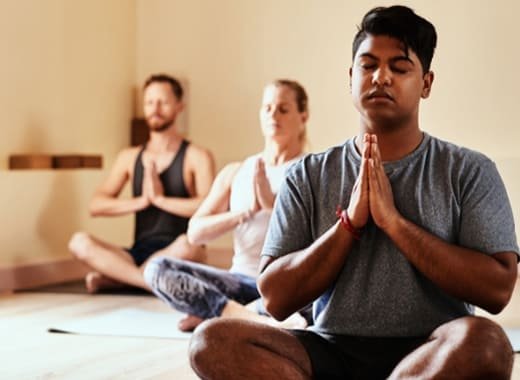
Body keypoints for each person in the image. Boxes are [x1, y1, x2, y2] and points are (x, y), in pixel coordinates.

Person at [188, 6, 519, 380]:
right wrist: (349, 225)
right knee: (211, 342)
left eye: (399, 67)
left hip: (433, 352)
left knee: (488, 344)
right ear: (351, 78)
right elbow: (275, 299)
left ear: (425, 83)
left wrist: (394, 224)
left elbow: (497, 289)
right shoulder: (308, 174)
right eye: (368, 65)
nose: (381, 77)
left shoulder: (468, 170)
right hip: (330, 350)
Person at [144, 79, 311, 332]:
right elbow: (196, 231)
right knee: (157, 268)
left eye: (283, 109)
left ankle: (215, 311)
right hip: (239, 282)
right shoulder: (237, 171)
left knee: (322, 298)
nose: (273, 115)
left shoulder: (312, 170)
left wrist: (274, 205)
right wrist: (243, 214)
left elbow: (320, 237)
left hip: (282, 287)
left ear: (303, 116)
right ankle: (242, 315)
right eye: (267, 108)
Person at [69, 74, 215, 293]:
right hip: (137, 253)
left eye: (163, 102)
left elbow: (209, 209)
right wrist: (142, 201)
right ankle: (146, 281)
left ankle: (120, 278)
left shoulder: (197, 156)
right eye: (149, 102)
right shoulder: (129, 157)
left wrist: (160, 200)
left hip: (179, 250)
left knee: (189, 245)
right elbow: (96, 205)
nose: (155, 108)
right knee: (78, 242)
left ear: (179, 106)